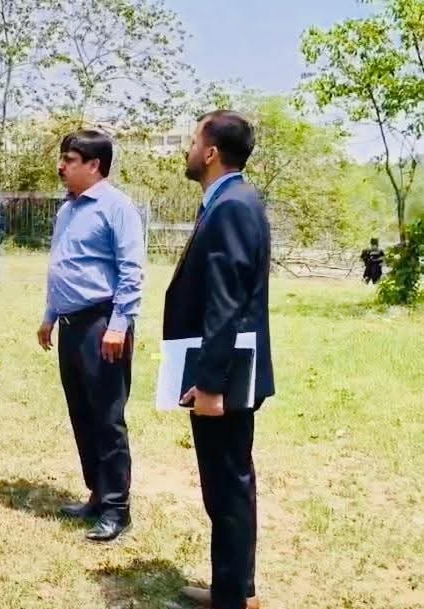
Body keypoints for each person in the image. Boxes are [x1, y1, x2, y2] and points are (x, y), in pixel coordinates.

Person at [165, 111, 274, 609]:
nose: (188, 149)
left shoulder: (231, 206)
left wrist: (210, 385)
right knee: (229, 483)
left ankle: (232, 598)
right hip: (226, 371)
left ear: (210, 152)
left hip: (225, 378)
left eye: (193, 141)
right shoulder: (232, 201)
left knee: (227, 486)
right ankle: (236, 589)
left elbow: (225, 303)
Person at [37, 130, 144, 542]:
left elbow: (131, 270)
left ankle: (117, 508)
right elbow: (65, 264)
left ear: (94, 165)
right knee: (81, 412)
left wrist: (119, 325)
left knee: (107, 418)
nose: (61, 166)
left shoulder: (117, 207)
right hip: (70, 324)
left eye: (70, 159)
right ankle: (97, 494)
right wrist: (50, 315)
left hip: (103, 324)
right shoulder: (68, 209)